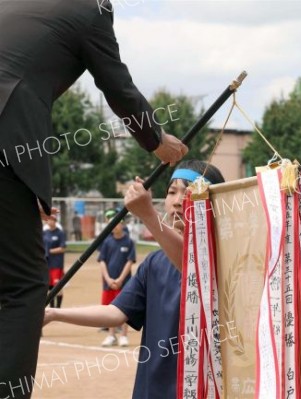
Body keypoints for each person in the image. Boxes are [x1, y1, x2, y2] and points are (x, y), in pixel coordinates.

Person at [0, 1, 188, 395]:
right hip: (8, 136)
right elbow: (118, 86)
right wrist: (156, 141)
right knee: (22, 289)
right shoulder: (90, 9)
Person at [44, 160, 224, 398]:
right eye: (171, 192)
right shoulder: (153, 263)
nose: (177, 200)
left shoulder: (224, 255)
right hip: (151, 389)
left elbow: (193, 263)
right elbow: (115, 313)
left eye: (189, 191)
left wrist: (147, 214)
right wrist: (54, 314)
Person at [98, 209, 136, 347]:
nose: (115, 226)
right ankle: (111, 335)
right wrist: (108, 279)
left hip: (124, 282)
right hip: (108, 282)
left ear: (123, 224)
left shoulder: (129, 242)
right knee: (110, 308)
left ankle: (123, 335)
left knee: (124, 308)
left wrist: (120, 279)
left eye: (117, 223)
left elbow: (130, 261)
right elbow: (102, 261)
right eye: (112, 224)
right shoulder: (107, 242)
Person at [43, 214, 67, 309]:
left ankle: (58, 307)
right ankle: (52, 307)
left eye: (52, 220)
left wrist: (49, 251)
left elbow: (63, 248)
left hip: (57, 264)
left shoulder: (60, 233)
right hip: (47, 264)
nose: (50, 221)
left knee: (57, 287)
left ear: (55, 221)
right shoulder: (44, 233)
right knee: (50, 287)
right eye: (49, 219)